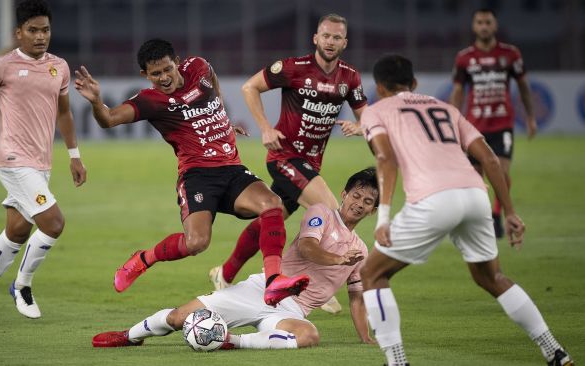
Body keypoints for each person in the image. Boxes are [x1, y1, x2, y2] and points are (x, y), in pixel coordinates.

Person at [359, 55, 572, 366]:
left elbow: (385, 159)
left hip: (433, 199)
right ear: (414, 83)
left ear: (378, 87)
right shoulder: (446, 109)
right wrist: (510, 212)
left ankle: (397, 361)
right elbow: (490, 160)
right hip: (475, 195)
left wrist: (383, 217)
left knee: (372, 273)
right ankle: (555, 351)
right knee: (492, 276)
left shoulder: (375, 111)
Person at [74, 39, 309, 306]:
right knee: (196, 243)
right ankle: (143, 259)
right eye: (155, 74)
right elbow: (109, 119)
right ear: (145, 75)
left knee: (272, 204)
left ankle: (273, 280)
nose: (163, 78)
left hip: (231, 169)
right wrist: (96, 102)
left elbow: (213, 84)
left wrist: (222, 117)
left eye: (167, 69)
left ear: (177, 62)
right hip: (197, 176)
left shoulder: (198, 67)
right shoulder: (150, 101)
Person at [91, 168, 379, 349]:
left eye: (367, 202)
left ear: (372, 211)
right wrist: (339, 260)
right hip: (262, 291)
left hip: (292, 312)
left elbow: (357, 298)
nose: (359, 204)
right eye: (356, 195)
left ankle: (232, 341)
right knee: (180, 317)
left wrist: (364, 337)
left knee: (308, 336)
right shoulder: (322, 213)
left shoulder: (361, 251)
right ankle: (128, 336)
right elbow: (307, 249)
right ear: (344, 194)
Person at [209, 13, 367, 314]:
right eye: (326, 35)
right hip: (284, 157)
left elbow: (366, 116)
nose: (330, 41)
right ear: (315, 39)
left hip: (311, 164)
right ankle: (319, 279)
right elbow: (249, 87)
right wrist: (266, 128)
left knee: (272, 218)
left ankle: (225, 274)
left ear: (344, 43)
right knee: (333, 212)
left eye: (336, 37)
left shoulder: (350, 77)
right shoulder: (294, 68)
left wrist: (360, 127)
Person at [0, 0, 87, 325]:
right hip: (13, 160)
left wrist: (74, 156)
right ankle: (22, 286)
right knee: (54, 223)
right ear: (19, 33)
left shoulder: (59, 66)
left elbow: (64, 112)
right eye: (33, 30)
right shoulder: (1, 66)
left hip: (41, 164)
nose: (40, 36)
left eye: (45, 29)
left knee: (17, 231)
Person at [449, 8, 537, 238]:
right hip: (474, 126)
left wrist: (530, 116)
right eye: (480, 22)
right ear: (474, 26)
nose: (484, 26)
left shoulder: (510, 54)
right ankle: (482, 217)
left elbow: (524, 87)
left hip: (502, 124)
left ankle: (497, 216)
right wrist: (452, 121)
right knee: (476, 178)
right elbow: (458, 92)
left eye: (488, 22)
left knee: (502, 171)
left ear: (495, 25)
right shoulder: (464, 58)